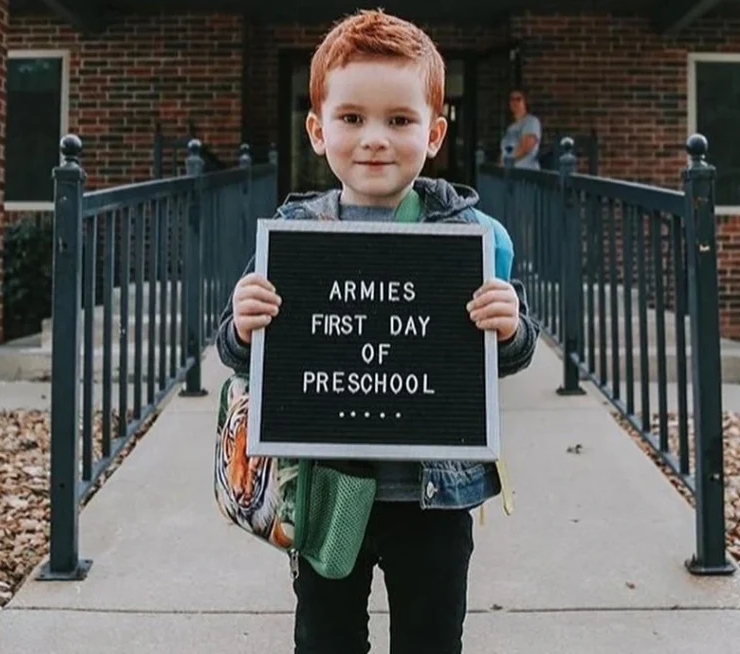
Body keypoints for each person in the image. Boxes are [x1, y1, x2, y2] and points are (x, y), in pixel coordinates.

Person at [215, 9, 539, 653]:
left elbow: (510, 352)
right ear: (317, 129)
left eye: (399, 121)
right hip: (328, 487)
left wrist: (508, 330)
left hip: (435, 498)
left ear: (434, 133)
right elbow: (240, 354)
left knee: (432, 636)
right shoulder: (294, 236)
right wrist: (243, 326)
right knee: (326, 637)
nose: (374, 139)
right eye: (352, 118)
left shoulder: (464, 235)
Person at [499, 88, 542, 169]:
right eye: (512, 99)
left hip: (526, 172)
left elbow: (526, 147)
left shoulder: (531, 121)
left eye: (518, 99)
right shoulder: (511, 127)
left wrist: (507, 161)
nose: (514, 102)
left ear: (525, 102)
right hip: (510, 172)